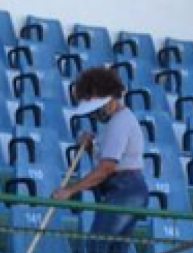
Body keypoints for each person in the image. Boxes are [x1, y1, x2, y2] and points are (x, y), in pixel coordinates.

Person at [52, 67, 147, 253]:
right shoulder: (114, 123)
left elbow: (106, 168)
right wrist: (89, 148)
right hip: (125, 189)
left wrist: (70, 190)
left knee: (98, 244)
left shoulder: (120, 122)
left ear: (110, 100)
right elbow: (105, 163)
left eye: (97, 109)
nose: (94, 114)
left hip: (126, 190)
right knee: (114, 249)